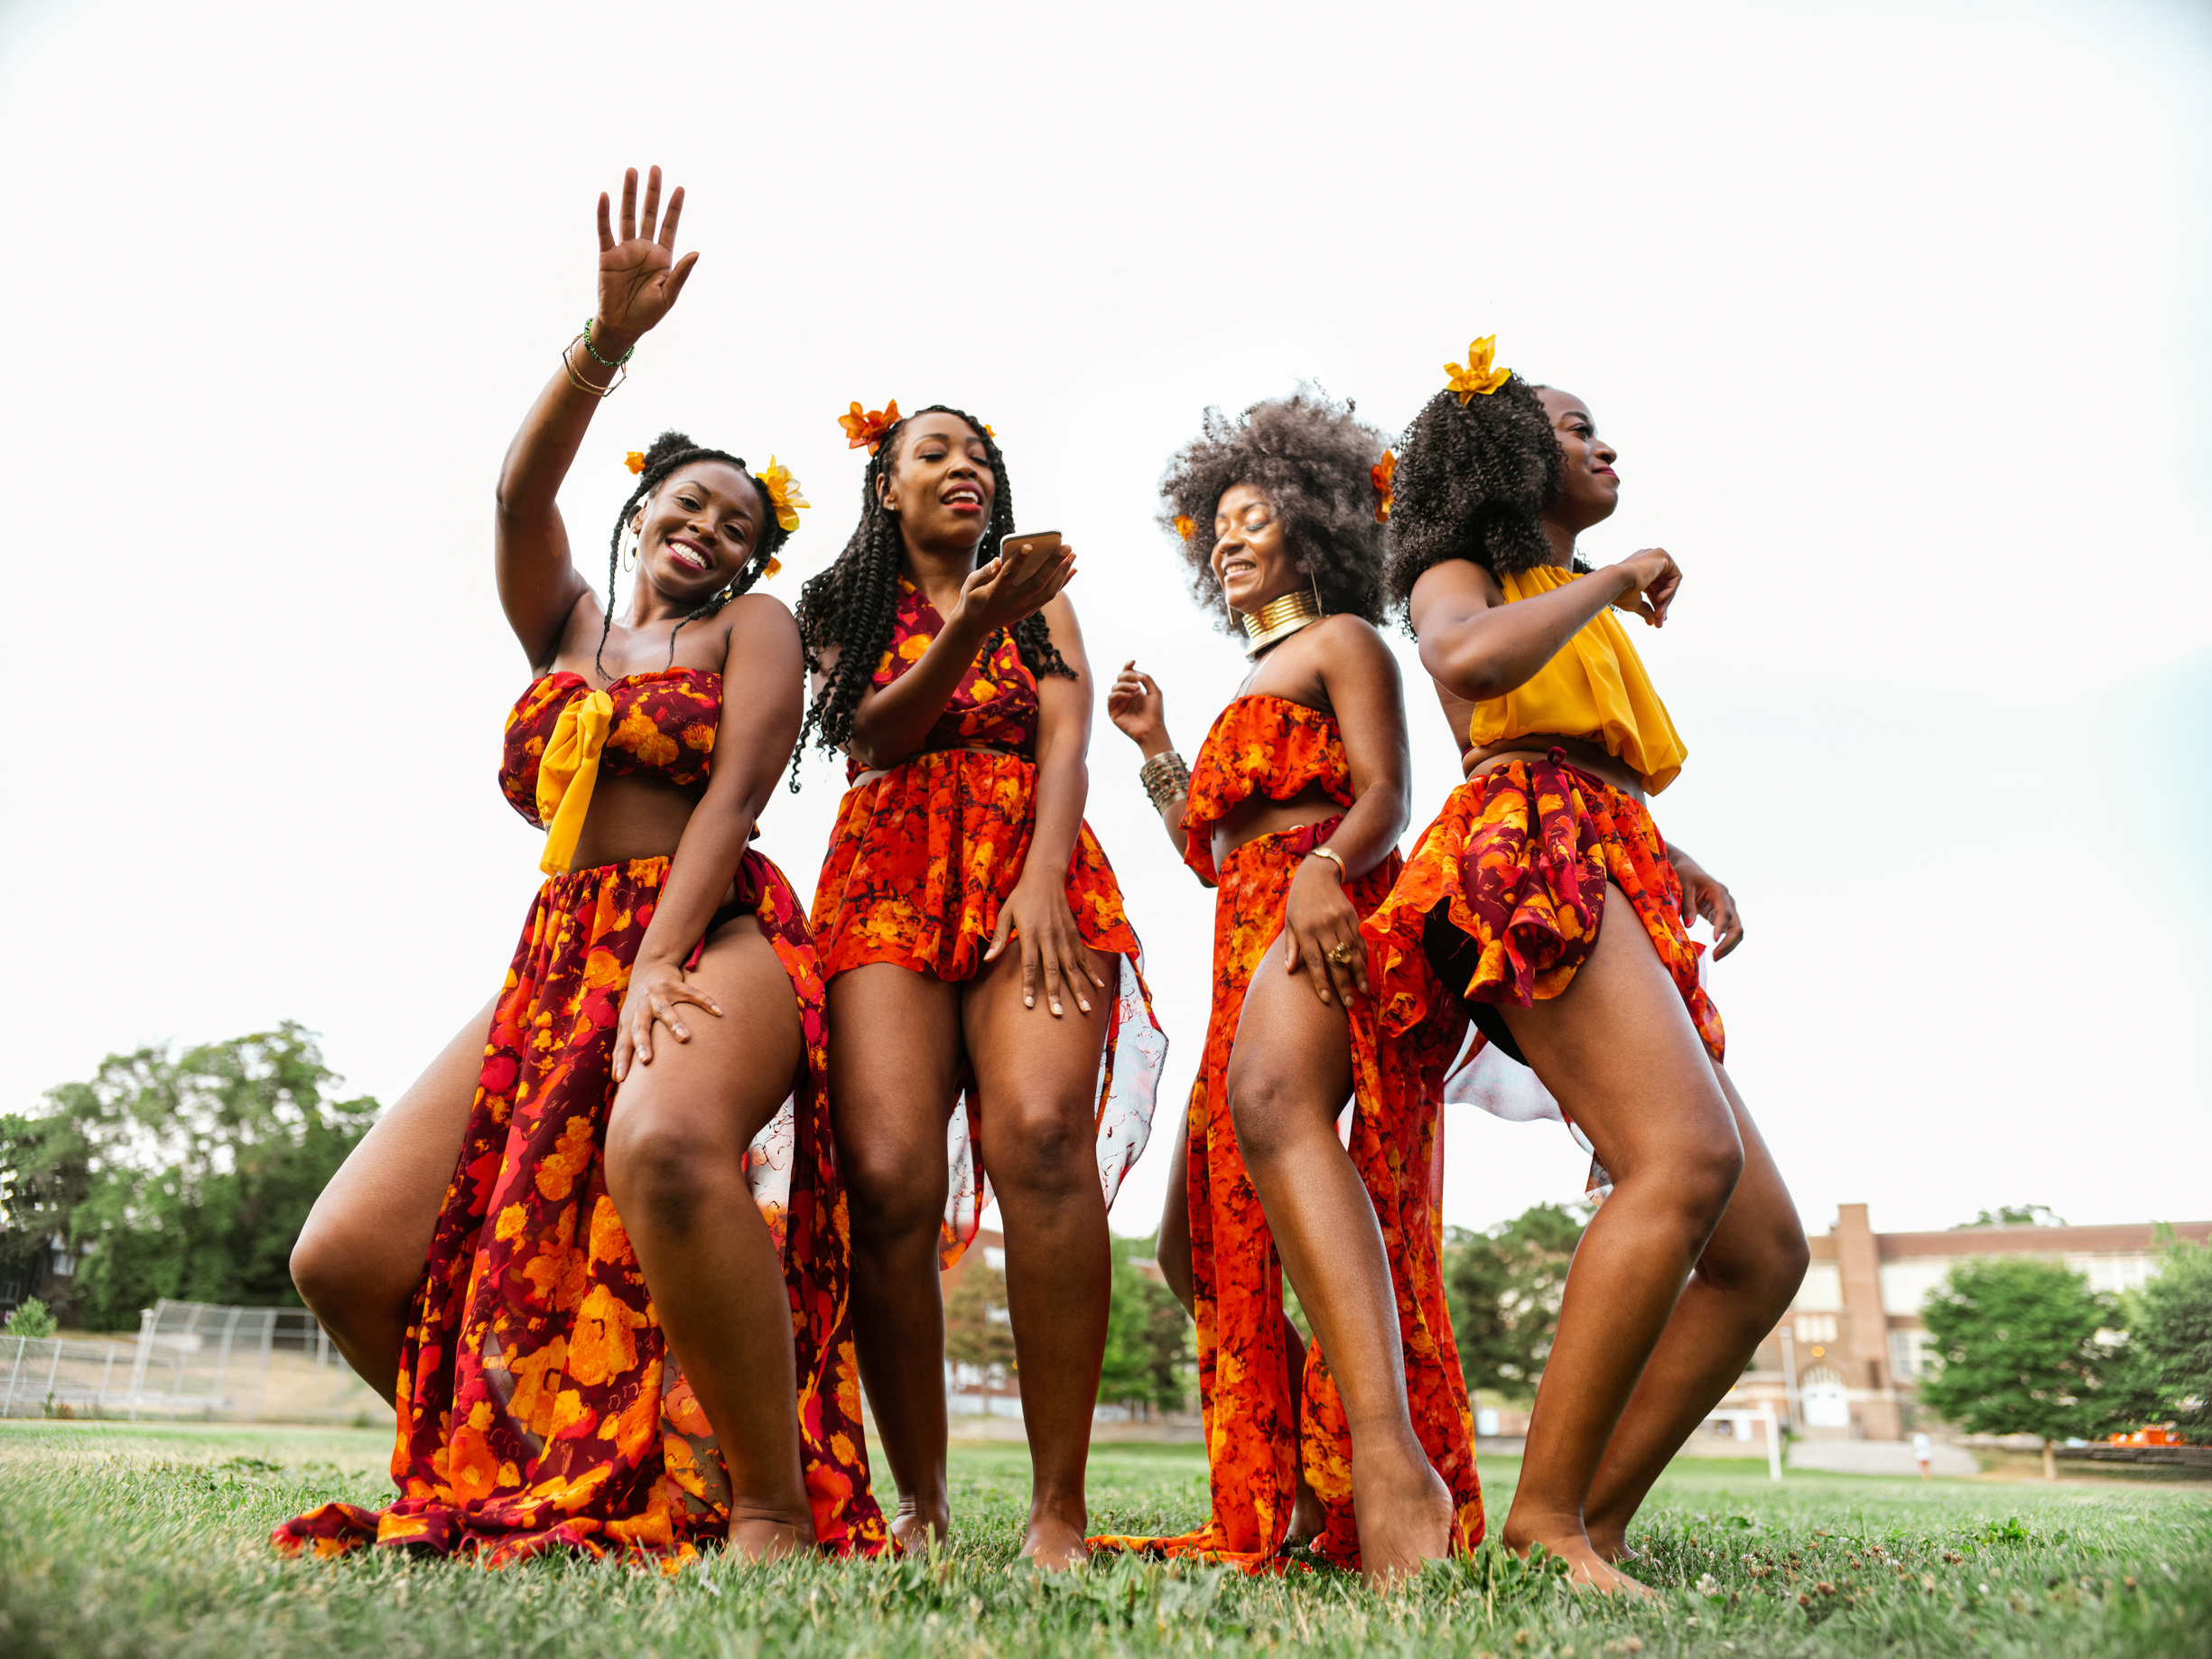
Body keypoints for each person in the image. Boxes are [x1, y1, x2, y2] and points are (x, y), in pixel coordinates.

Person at [276, 167, 881, 1566]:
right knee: (344, 1257)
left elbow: (733, 799)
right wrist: (605, 343)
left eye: (740, 521)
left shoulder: (757, 633)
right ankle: (556, 1466)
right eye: (690, 499)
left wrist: (660, 959)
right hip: (557, 949)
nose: (714, 526)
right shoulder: (563, 628)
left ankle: (767, 1508)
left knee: (663, 1142)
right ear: (640, 508)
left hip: (710, 930)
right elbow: (513, 490)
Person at [1362, 337, 1808, 1590]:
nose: (1602, 445)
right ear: (1502, 455)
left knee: (1762, 1247)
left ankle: (1593, 1521)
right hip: (1522, 860)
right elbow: (1466, 668)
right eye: (1572, 427)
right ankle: (1542, 1522)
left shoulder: (1562, 584)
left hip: (1605, 854)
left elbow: (1590, 758)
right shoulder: (1466, 572)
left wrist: (1669, 856)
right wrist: (1606, 577)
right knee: (1684, 1157)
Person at [1094, 393, 1480, 1585]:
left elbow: (1386, 798)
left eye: (1251, 517)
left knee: (1314, 1197)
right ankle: (1312, 1472)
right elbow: (1213, 853)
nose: (1227, 537)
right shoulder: (1253, 671)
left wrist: (1319, 872)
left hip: (1323, 919)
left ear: (1311, 527)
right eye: (1215, 525)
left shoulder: (1347, 641)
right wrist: (1158, 747)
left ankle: (1372, 1460)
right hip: (1244, 933)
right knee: (1191, 1248)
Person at [795, 403, 1166, 1567]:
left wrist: (1047, 878)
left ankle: (1060, 1506)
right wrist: (970, 625)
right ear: (887, 490)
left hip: (1030, 857)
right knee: (890, 1175)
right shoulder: (837, 605)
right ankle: (923, 1499)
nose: (966, 468)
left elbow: (1068, 741)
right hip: (888, 868)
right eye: (935, 454)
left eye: (982, 455)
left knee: (1045, 1134)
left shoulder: (1040, 589)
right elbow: (874, 734)